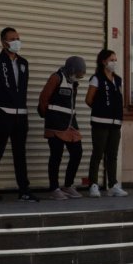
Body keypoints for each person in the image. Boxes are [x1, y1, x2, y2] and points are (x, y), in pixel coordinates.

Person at [0, 27, 37, 202]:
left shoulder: (23, 62)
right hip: (2, 113)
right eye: (12, 38)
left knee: (20, 153)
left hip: (20, 114)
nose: (16, 41)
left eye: (18, 38)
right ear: (3, 42)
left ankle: (24, 190)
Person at [39, 55, 87, 199]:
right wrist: (47, 117)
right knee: (56, 155)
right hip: (55, 124)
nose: (78, 77)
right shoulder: (56, 78)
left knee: (77, 152)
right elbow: (43, 98)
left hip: (70, 123)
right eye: (77, 74)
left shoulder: (74, 83)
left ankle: (68, 185)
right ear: (71, 69)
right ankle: (54, 188)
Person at [85, 48, 128, 197]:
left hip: (115, 123)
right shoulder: (96, 78)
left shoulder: (118, 80)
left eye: (115, 60)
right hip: (100, 122)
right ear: (103, 62)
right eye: (111, 60)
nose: (114, 63)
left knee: (113, 154)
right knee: (98, 153)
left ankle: (113, 185)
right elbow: (89, 99)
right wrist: (101, 110)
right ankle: (94, 185)